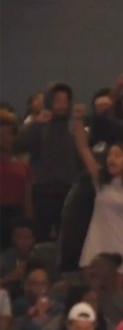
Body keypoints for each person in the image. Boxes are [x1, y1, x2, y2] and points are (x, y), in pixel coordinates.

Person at [72, 103, 123, 288]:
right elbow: (83, 148)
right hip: (96, 241)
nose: (111, 159)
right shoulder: (101, 180)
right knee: (90, 291)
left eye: (117, 155)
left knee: (116, 294)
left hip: (122, 244)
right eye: (109, 155)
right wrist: (77, 120)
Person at [12, 82, 78, 241]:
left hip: (68, 192)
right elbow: (18, 145)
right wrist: (36, 124)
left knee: (67, 238)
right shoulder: (40, 125)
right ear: (49, 101)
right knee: (39, 237)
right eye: (57, 100)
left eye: (65, 100)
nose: (62, 105)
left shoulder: (73, 127)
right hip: (43, 192)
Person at [0, 111, 32, 249]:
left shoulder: (23, 164)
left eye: (9, 133)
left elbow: (27, 196)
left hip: (16, 215)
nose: (6, 138)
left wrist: (29, 222)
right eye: (1, 135)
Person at [84, 253, 123, 325]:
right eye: (91, 267)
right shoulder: (80, 296)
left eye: (97, 267)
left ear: (111, 273)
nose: (91, 271)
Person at [0, 218, 36, 288]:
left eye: (27, 238)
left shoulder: (40, 256)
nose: (23, 242)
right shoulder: (3, 259)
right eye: (20, 237)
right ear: (13, 238)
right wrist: (11, 277)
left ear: (34, 239)